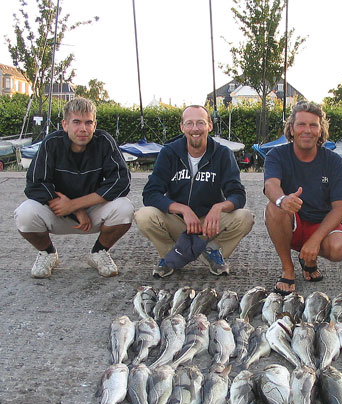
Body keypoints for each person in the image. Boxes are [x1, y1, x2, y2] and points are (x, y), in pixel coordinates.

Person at [14, 97, 133, 279]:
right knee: (25, 213)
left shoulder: (104, 142)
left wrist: (75, 205)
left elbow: (121, 181)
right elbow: (35, 184)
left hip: (92, 212)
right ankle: (47, 253)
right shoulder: (51, 143)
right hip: (58, 211)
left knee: (125, 208)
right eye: (76, 122)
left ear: (95, 125)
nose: (83, 128)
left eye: (88, 122)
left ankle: (99, 252)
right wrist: (74, 210)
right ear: (65, 124)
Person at [135, 104, 254, 277]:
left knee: (245, 217)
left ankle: (212, 252)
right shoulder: (169, 152)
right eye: (189, 123)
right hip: (177, 220)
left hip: (208, 225)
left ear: (209, 126)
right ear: (182, 127)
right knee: (143, 215)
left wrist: (219, 208)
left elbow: (237, 194)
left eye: (200, 123)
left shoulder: (222, 154)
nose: (195, 129)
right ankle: (171, 256)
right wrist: (182, 209)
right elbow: (150, 193)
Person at [264, 101, 342, 295]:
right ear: (291, 129)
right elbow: (270, 185)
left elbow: (340, 208)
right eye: (301, 124)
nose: (307, 130)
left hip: (320, 224)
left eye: (313, 125)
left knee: (340, 248)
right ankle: (288, 268)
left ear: (321, 130)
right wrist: (283, 200)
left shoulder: (335, 161)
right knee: (274, 207)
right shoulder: (276, 154)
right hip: (292, 223)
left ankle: (309, 259)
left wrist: (316, 240)